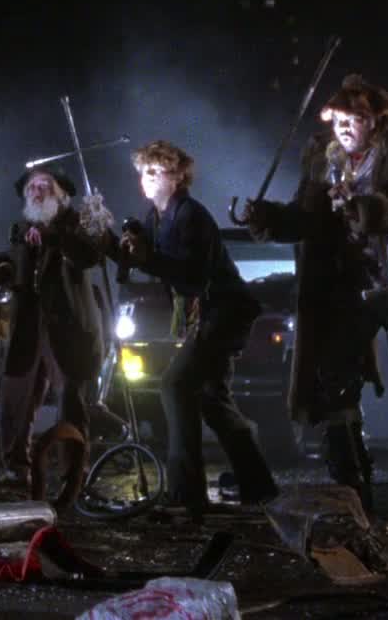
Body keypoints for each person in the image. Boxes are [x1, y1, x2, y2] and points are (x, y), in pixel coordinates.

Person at [244, 75, 388, 515]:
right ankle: (351, 488)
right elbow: (306, 217)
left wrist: (372, 208)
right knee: (331, 377)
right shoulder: (324, 158)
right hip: (346, 283)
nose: (345, 126)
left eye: (356, 117)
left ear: (375, 120)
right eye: (339, 118)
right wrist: (269, 218)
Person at [116, 141, 279, 515]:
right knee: (212, 399)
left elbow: (192, 277)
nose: (147, 179)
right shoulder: (155, 217)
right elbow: (145, 261)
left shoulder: (192, 216)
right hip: (206, 315)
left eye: (155, 171)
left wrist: (148, 258)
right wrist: (113, 246)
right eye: (143, 172)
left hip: (225, 311)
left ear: (177, 177)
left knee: (176, 384)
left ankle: (185, 493)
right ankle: (260, 487)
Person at [0, 166, 117, 506]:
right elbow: (16, 262)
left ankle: (73, 478)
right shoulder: (22, 228)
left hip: (68, 329)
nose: (36, 190)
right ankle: (16, 473)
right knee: (14, 399)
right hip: (28, 327)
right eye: (31, 187)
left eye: (45, 185)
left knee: (71, 401)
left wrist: (52, 235)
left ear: (61, 194)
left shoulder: (77, 223)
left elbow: (88, 255)